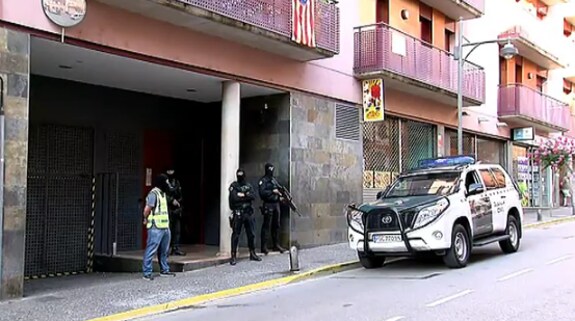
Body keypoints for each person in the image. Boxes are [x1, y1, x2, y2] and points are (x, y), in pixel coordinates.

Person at [142, 174, 176, 280]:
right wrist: (145, 218)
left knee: (164, 250)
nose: (168, 185)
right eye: (166, 183)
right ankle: (147, 273)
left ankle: (164, 270)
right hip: (155, 227)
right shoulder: (154, 194)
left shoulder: (163, 194)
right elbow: (147, 209)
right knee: (151, 249)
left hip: (165, 227)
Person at [228, 168, 262, 265]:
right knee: (236, 235)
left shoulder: (248, 185)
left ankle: (252, 253)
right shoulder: (233, 186)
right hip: (238, 213)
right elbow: (233, 198)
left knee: (251, 234)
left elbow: (253, 196)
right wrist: (245, 196)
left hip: (248, 213)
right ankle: (233, 255)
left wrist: (242, 195)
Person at [258, 163, 286, 255]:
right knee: (266, 226)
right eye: (270, 169)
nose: (271, 171)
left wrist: (280, 196)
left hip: (276, 204)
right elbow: (262, 193)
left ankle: (276, 244)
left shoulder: (274, 180)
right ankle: (264, 246)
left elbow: (279, 190)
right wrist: (272, 192)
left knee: (276, 225)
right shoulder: (263, 181)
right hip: (268, 204)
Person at [166, 168, 185, 256]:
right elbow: (163, 194)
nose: (171, 172)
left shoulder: (176, 182)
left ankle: (175, 248)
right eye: (169, 171)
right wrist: (171, 200)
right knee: (167, 230)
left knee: (177, 230)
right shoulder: (165, 182)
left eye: (172, 170)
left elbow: (181, 194)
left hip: (177, 209)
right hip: (167, 209)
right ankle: (165, 249)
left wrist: (178, 203)